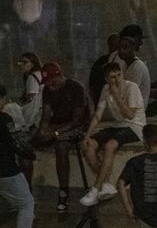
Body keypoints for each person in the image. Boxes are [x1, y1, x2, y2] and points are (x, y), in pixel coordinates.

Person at [80, 63, 145, 207]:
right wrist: (87, 135)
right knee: (89, 145)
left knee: (110, 146)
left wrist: (116, 96)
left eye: (118, 76)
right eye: (112, 77)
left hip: (135, 126)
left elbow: (129, 115)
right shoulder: (105, 89)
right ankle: (106, 184)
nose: (116, 80)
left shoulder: (131, 87)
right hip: (118, 125)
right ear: (106, 79)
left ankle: (95, 189)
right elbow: (98, 115)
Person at [36, 62, 90, 212]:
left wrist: (56, 133)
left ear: (59, 76)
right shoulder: (47, 90)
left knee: (61, 146)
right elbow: (46, 114)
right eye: (47, 84)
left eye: (52, 83)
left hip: (77, 125)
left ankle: (63, 191)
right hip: (58, 123)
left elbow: (77, 120)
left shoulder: (76, 88)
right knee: (30, 143)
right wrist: (43, 130)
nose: (50, 87)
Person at [0, 111, 42, 228]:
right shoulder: (4, 118)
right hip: (6, 170)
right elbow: (14, 141)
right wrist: (30, 153)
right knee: (27, 204)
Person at [15, 52, 43, 128]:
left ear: (33, 63)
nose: (21, 65)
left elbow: (31, 99)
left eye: (25, 62)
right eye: (20, 62)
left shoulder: (32, 77)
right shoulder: (39, 74)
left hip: (35, 117)